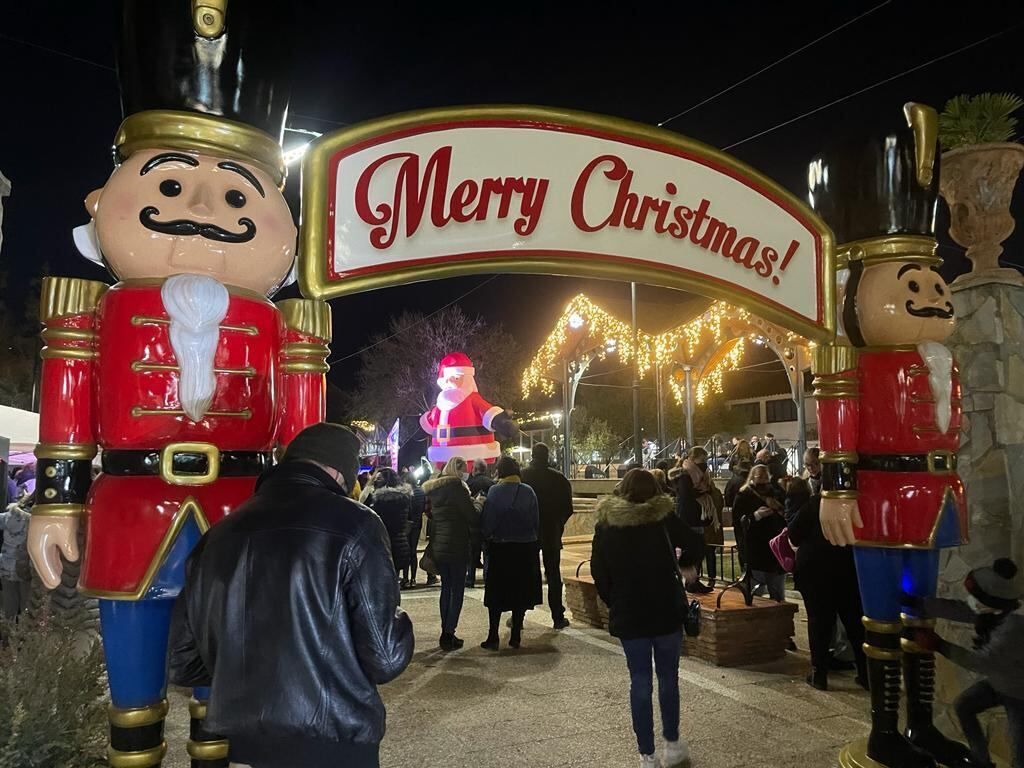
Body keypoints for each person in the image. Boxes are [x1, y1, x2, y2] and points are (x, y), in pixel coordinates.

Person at [168, 423, 413, 768]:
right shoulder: (356, 523)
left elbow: (182, 660)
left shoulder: (220, 534)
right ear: (336, 472)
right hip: (334, 736)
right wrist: (402, 624)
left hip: (249, 739)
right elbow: (386, 658)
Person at [591, 469, 702, 768]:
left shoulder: (607, 523)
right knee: (668, 677)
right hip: (665, 608)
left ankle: (647, 755)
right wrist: (688, 564)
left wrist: (614, 600)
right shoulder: (663, 518)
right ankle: (673, 743)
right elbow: (695, 541)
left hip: (630, 612)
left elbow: (598, 572)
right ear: (655, 488)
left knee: (639, 680)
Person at [909, 559, 1024, 768]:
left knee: (1019, 753)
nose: (971, 600)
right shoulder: (995, 609)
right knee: (964, 705)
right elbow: (961, 610)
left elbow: (981, 662)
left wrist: (939, 644)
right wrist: (920, 604)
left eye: (975, 596)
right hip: (1002, 682)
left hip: (1019, 693)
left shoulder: (1012, 627)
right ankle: (980, 761)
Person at [786, 478, 867, 691]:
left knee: (818, 622)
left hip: (815, 571)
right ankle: (866, 673)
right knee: (855, 623)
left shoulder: (814, 505)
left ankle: (819, 673)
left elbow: (793, 535)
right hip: (847, 568)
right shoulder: (856, 503)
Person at [479, 457, 543, 650]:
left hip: (501, 548)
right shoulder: (528, 491)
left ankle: (493, 636)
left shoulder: (494, 491)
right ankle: (515, 635)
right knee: (520, 591)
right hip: (525, 549)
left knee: (497, 592)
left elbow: (488, 522)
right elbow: (535, 521)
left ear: (500, 471)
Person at [422, 456, 479, 650]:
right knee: (457, 591)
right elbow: (471, 517)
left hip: (439, 545)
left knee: (446, 589)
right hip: (457, 545)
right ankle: (449, 632)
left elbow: (431, 515)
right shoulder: (458, 489)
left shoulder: (435, 490)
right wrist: (478, 504)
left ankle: (444, 630)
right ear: (458, 470)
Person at [521, 443, 574, 630]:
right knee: (553, 574)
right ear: (548, 455)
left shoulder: (523, 476)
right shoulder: (559, 478)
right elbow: (568, 508)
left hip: (528, 533)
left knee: (526, 574)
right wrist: (557, 525)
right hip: (551, 532)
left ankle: (519, 616)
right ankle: (557, 616)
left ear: (533, 456)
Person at [733, 464, 786, 601]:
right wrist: (756, 516)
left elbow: (787, 513)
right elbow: (738, 521)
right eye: (759, 476)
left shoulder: (777, 492)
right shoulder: (744, 495)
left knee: (778, 594)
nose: (763, 480)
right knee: (755, 594)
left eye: (765, 476)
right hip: (755, 550)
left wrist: (779, 510)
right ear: (752, 477)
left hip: (775, 550)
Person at [669, 447, 716, 594]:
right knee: (693, 548)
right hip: (689, 516)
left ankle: (693, 579)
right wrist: (702, 491)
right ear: (693, 459)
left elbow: (709, 489)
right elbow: (686, 495)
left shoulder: (700, 474)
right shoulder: (684, 474)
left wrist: (706, 490)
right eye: (702, 459)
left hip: (698, 515)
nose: (704, 463)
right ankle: (691, 580)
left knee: (698, 548)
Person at [364, 468, 413, 581]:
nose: (376, 481)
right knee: (393, 581)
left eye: (379, 479)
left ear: (386, 481)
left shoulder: (378, 500)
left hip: (382, 544)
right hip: (400, 543)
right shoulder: (405, 497)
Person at [0, 493, 33, 620]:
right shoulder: (35, 520)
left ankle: (9, 634)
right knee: (26, 604)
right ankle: (25, 635)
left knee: (10, 605)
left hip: (6, 567)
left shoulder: (9, 517)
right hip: (25, 568)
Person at [466, 461, 494, 587]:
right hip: (487, 523)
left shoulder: (469, 484)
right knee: (487, 552)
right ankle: (487, 578)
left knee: (472, 553)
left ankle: (470, 578)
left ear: (475, 469)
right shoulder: (491, 484)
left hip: (473, 523)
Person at [724, 460, 751, 569]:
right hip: (752, 515)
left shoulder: (732, 481)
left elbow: (727, 497)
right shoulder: (750, 481)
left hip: (737, 517)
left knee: (741, 544)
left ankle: (744, 568)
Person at [402, 471, 427, 588]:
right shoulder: (421, 492)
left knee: (407, 552)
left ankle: (406, 578)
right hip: (417, 524)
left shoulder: (406, 492)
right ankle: (413, 578)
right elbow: (423, 508)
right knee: (413, 551)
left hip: (407, 525)